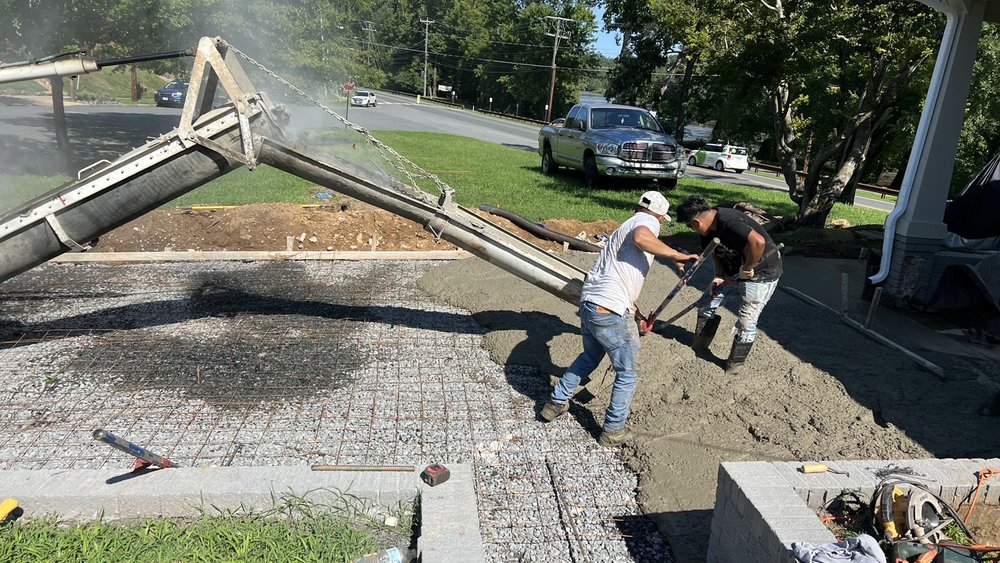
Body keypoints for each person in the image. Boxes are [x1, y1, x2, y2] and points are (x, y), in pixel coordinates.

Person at [540, 191, 699, 447]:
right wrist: (677, 255)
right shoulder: (645, 223)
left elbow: (619, 281)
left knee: (589, 357)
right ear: (659, 215)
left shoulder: (622, 231)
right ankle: (613, 429)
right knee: (628, 372)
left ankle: (555, 402)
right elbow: (642, 237)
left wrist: (637, 316)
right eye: (661, 220)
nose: (659, 225)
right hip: (609, 309)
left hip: (592, 305)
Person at [674, 195, 782, 375]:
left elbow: (759, 242)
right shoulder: (708, 229)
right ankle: (699, 345)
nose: (692, 230)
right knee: (707, 303)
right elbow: (714, 251)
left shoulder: (729, 220)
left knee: (747, 319)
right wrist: (718, 276)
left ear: (696, 223)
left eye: (689, 226)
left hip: (762, 271)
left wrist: (748, 267)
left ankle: (734, 366)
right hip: (733, 271)